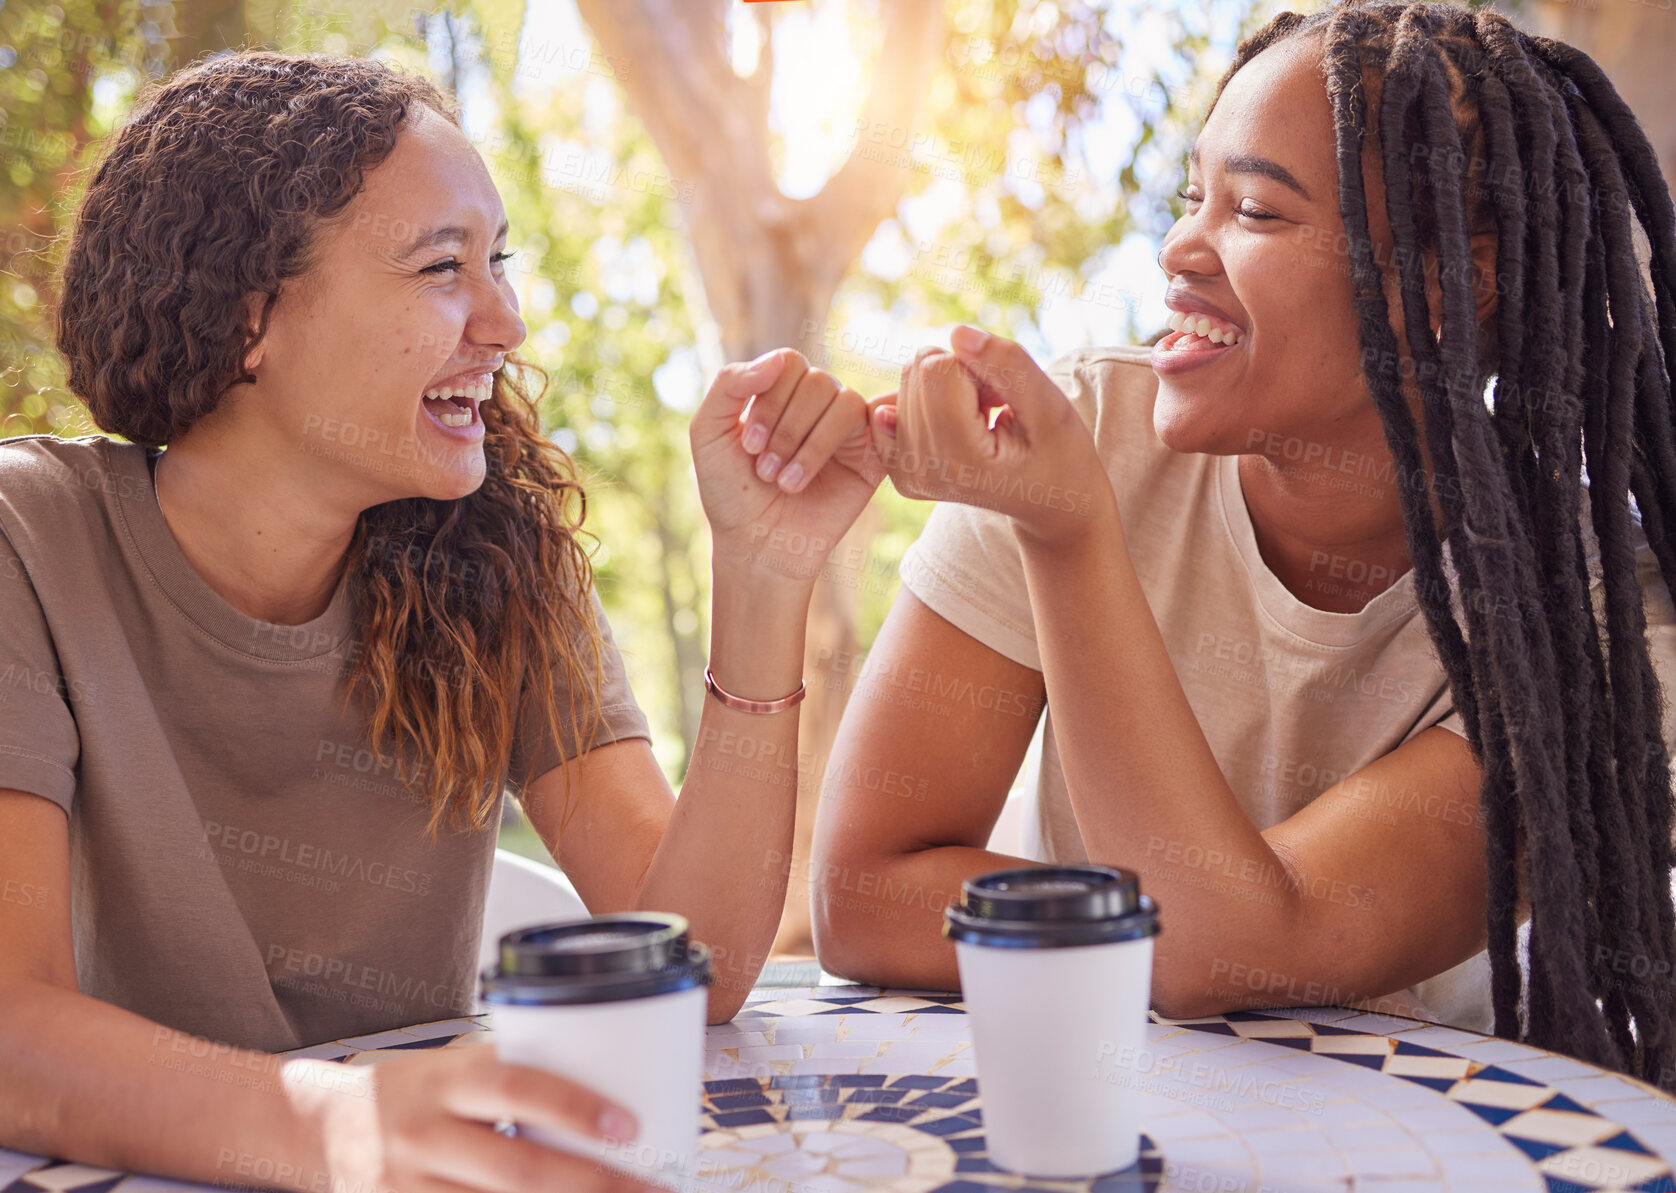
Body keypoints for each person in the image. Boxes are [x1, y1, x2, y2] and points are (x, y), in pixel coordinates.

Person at [0, 51, 881, 1193]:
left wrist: (763, 577)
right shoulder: (30, 541)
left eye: (498, 261)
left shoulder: (496, 557)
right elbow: (11, 1032)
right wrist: (336, 1123)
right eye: (442, 268)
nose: (506, 320)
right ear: (248, 316)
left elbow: (693, 967)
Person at [810, 0, 1676, 1090]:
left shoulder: (1591, 625)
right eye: (1190, 197)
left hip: (1407, 1131)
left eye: (1255, 211)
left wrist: (1070, 534)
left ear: (1454, 290)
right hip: (1089, 1093)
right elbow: (859, 894)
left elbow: (1220, 951)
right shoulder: (1076, 441)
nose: (1177, 248)